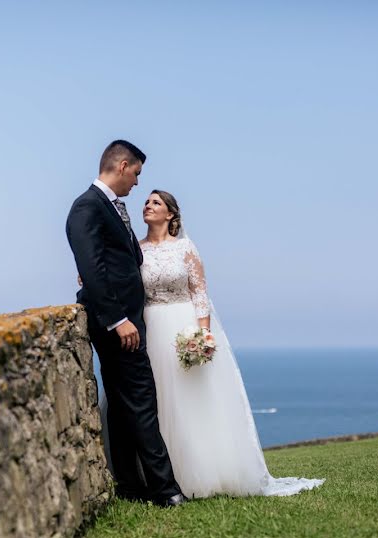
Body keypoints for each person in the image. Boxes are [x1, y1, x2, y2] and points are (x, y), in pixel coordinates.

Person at [138, 189, 325, 498]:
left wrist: (202, 336)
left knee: (191, 400)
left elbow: (200, 294)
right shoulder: (137, 249)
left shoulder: (185, 248)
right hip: (151, 329)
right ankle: (158, 476)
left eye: (156, 202)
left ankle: (202, 474)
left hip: (182, 325)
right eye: (146, 201)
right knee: (157, 401)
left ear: (170, 214)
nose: (148, 205)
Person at [65, 140, 187, 507]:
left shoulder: (110, 207)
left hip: (128, 319)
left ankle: (132, 488)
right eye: (135, 174)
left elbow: (114, 261)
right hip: (118, 324)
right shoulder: (87, 207)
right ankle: (166, 491)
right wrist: (118, 319)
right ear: (122, 165)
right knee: (141, 400)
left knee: (121, 407)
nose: (136, 183)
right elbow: (91, 267)